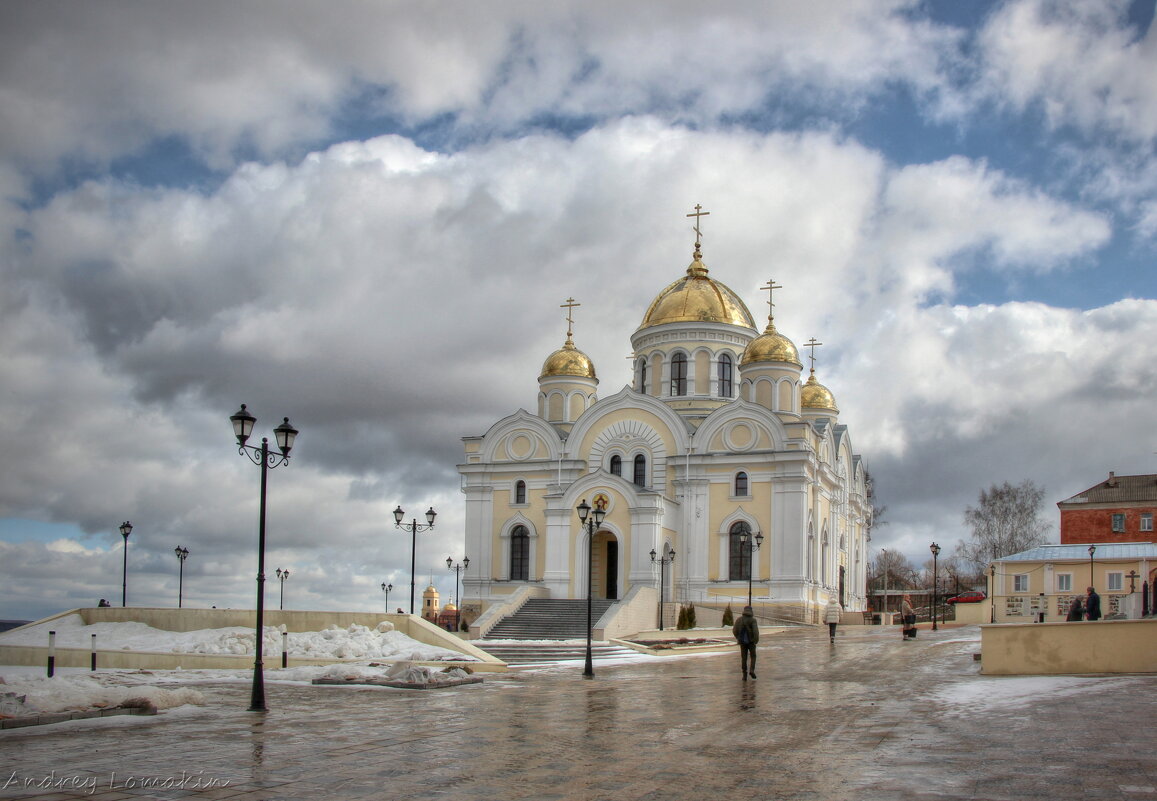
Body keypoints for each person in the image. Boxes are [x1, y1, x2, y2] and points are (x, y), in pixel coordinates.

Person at [732, 605, 759, 680]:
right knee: (753, 656)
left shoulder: (739, 620)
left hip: (742, 642)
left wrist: (738, 638)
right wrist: (755, 640)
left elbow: (734, 630)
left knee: (744, 658)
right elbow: (755, 632)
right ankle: (752, 670)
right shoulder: (753, 620)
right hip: (751, 642)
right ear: (751, 611)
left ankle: (744, 675)